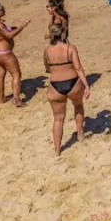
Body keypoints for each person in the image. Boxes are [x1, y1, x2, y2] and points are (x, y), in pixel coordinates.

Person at [43, 24, 90, 156]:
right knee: (78, 106)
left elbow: (47, 67)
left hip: (55, 85)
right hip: (73, 83)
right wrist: (86, 85)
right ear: (63, 34)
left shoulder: (47, 50)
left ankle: (57, 150)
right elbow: (78, 68)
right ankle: (80, 135)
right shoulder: (70, 48)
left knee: (58, 119)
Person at [0, 2, 30, 107]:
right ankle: (17, 100)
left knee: (0, 76)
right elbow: (9, 36)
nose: (4, 10)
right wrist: (22, 26)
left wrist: (9, 29)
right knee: (16, 74)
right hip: (5, 53)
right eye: (1, 9)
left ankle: (2, 98)